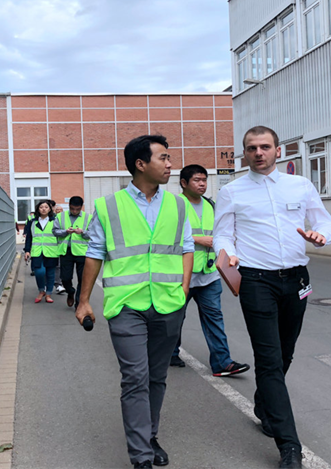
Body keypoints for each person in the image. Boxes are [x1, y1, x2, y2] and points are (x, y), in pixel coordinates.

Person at [213, 126, 331, 469]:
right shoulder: (232, 192)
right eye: (252, 148)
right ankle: (289, 446)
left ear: (278, 151)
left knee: (284, 353)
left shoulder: (300, 186)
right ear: (244, 153)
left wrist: (320, 236)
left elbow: (326, 223)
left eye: (265, 147)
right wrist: (228, 252)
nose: (259, 153)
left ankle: (265, 402)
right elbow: (222, 234)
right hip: (256, 281)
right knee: (268, 360)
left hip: (296, 279)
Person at [76, 135, 194, 469]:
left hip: (169, 304)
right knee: (135, 378)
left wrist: (184, 290)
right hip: (126, 305)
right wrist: (84, 301)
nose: (170, 164)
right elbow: (94, 253)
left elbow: (186, 247)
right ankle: (141, 456)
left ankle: (149, 436)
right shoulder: (108, 206)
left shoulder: (178, 205)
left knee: (156, 377)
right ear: (141, 164)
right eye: (163, 158)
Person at [168, 164, 250, 378]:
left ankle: (223, 362)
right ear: (184, 183)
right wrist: (198, 239)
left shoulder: (211, 205)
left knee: (214, 318)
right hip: (182, 275)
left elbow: (223, 233)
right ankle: (169, 353)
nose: (202, 184)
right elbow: (165, 236)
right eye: (197, 180)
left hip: (209, 273)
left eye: (204, 180)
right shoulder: (173, 205)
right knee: (175, 317)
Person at [53, 196, 91, 308]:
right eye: (72, 208)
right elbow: (55, 231)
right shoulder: (61, 216)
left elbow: (93, 234)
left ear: (81, 207)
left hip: (82, 252)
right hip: (66, 251)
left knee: (82, 279)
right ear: (69, 206)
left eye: (77, 209)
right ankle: (70, 291)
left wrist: (83, 232)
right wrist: (65, 232)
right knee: (65, 278)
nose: (74, 211)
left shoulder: (88, 217)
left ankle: (79, 303)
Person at [24, 200, 60, 303]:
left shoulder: (55, 221)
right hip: (37, 251)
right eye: (41, 207)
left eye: (46, 207)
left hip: (52, 251)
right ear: (38, 209)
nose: (43, 209)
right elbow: (29, 237)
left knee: (50, 274)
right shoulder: (33, 222)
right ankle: (41, 290)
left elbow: (59, 236)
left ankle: (48, 294)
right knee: (39, 272)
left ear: (50, 209)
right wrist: (27, 250)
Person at [51, 202, 67, 295]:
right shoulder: (51, 219)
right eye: (57, 210)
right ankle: (46, 285)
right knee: (48, 267)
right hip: (48, 247)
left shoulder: (64, 219)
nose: (58, 211)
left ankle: (58, 284)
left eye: (60, 210)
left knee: (58, 266)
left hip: (59, 246)